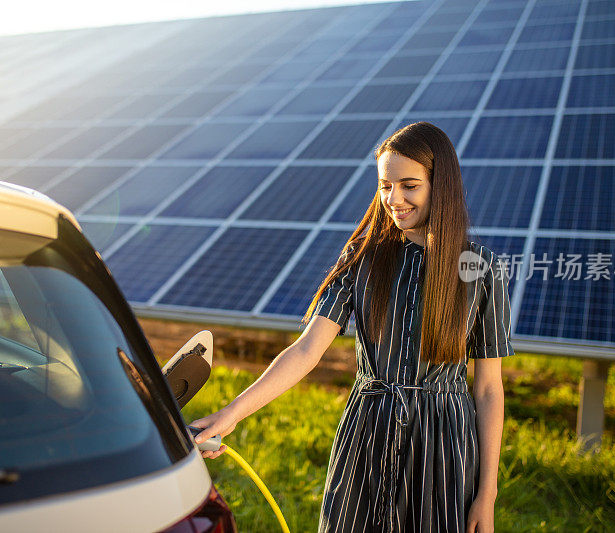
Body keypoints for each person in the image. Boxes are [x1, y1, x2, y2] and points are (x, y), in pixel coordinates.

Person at [189, 122, 514, 533]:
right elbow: (307, 350)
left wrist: (487, 494)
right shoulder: (363, 258)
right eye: (385, 186)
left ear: (441, 184)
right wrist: (231, 414)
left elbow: (487, 388)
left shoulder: (479, 268)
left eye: (408, 186)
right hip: (367, 431)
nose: (393, 199)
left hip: (443, 442)